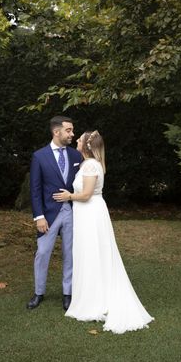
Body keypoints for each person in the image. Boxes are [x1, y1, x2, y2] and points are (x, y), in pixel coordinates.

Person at [53, 130, 154, 333]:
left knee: (92, 253)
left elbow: (87, 194)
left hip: (90, 213)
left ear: (86, 146)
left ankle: (95, 301)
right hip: (86, 213)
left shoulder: (90, 165)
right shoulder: (87, 163)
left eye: (80, 139)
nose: (77, 140)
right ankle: (92, 296)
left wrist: (69, 196)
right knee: (89, 253)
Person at [27, 116, 83, 310]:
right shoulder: (39, 156)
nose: (72, 134)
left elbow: (83, 184)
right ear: (56, 132)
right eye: (69, 130)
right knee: (42, 253)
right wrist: (39, 216)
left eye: (72, 130)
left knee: (70, 254)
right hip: (48, 215)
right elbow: (35, 189)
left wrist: (73, 196)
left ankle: (68, 294)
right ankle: (38, 292)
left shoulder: (77, 156)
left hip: (72, 213)